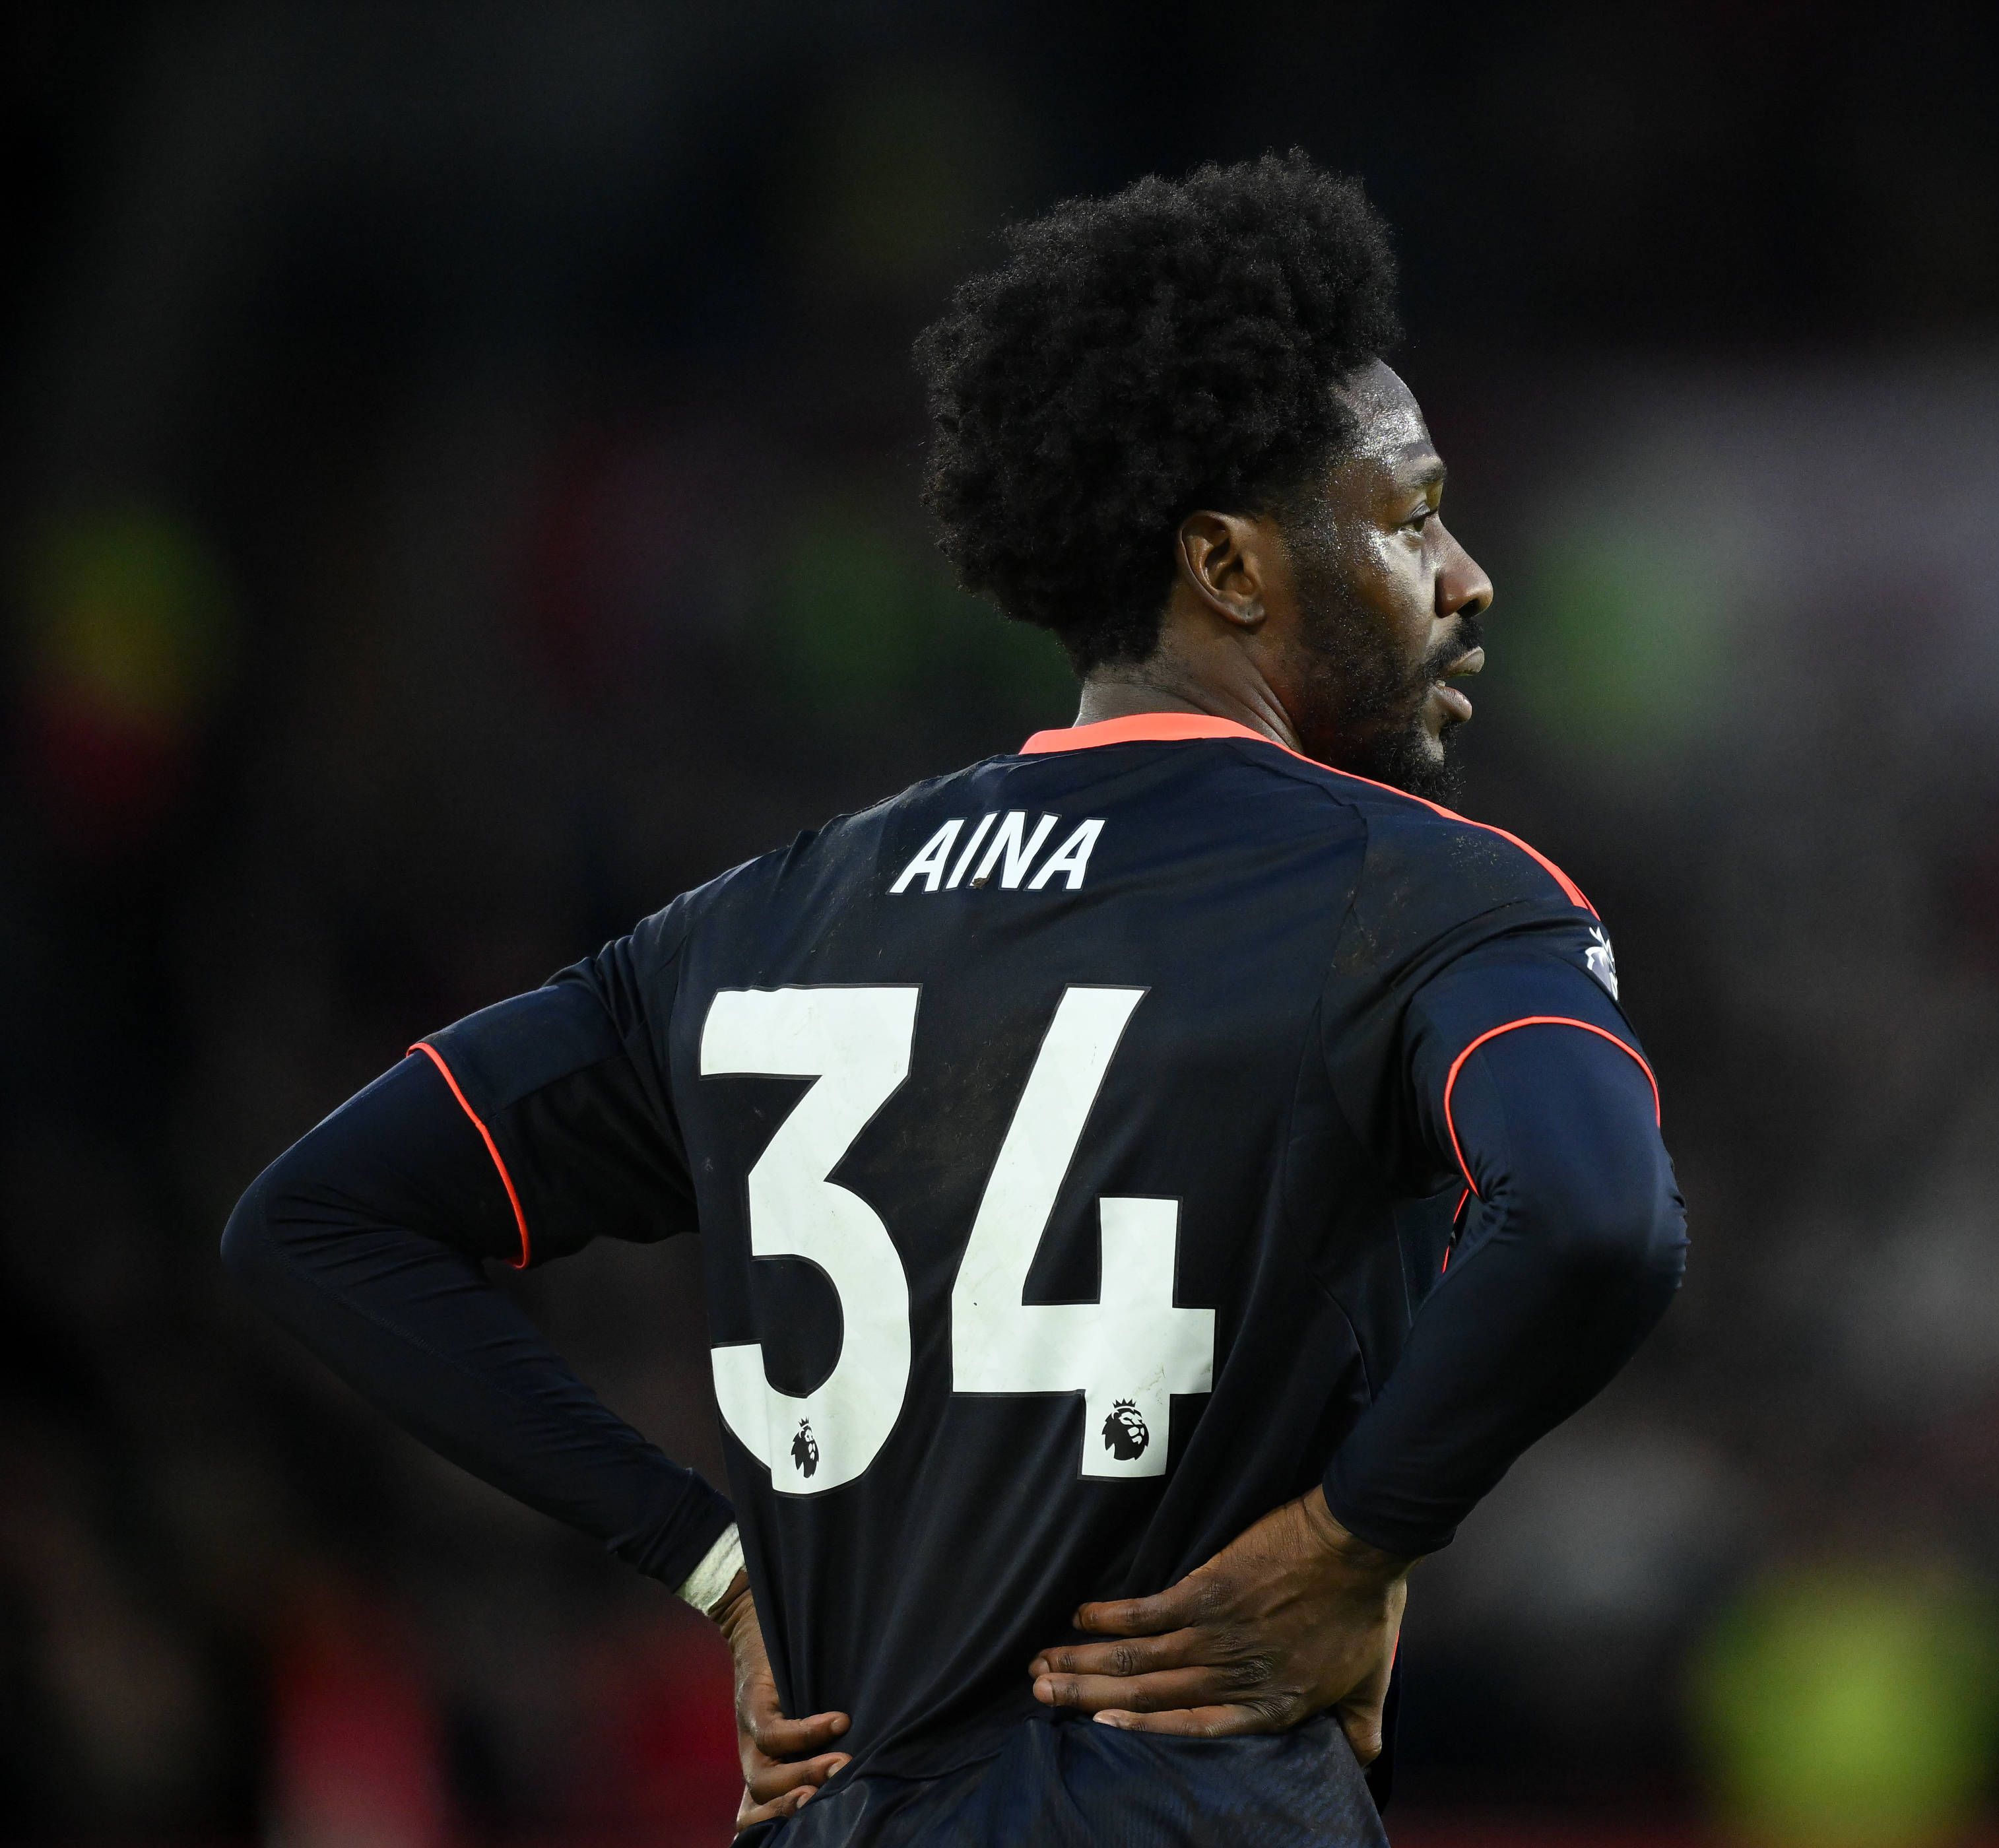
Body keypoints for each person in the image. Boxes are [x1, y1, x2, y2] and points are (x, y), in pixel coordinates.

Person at [223, 152, 1686, 1847]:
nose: (1467, 573)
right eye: (1414, 512)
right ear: (1227, 564)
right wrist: (1359, 1536)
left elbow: (319, 1220)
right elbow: (1592, 1217)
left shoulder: (759, 918)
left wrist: (712, 1566)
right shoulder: (1424, 889)